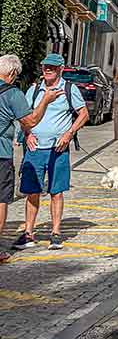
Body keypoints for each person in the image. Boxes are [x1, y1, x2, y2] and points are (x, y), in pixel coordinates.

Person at [15, 53, 89, 250]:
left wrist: (70, 133)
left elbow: (84, 113)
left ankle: (55, 233)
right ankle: (28, 233)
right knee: (32, 191)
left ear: (60, 69)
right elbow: (25, 117)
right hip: (35, 148)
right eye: (46, 66)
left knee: (56, 191)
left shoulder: (68, 89)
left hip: (58, 147)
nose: (48, 70)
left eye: (52, 67)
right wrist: (27, 134)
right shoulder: (34, 89)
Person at [0, 54, 66, 260]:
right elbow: (30, 121)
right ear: (11, 73)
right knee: (0, 200)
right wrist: (45, 100)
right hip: (1, 155)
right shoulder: (12, 93)